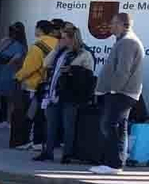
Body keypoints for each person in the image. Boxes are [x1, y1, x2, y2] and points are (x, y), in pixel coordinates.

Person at [91, 13, 146, 174]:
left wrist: (113, 89)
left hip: (121, 92)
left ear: (123, 25)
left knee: (111, 126)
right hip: (123, 92)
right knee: (118, 127)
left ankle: (113, 164)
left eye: (114, 23)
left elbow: (123, 71)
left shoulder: (128, 42)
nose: (111, 26)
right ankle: (115, 162)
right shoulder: (125, 41)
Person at [34, 25, 96, 164]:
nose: (60, 41)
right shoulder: (61, 52)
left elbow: (89, 76)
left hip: (70, 95)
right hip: (54, 93)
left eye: (64, 38)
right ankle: (48, 151)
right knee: (50, 124)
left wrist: (72, 70)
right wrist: (55, 50)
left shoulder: (84, 54)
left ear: (72, 39)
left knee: (68, 126)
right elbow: (46, 64)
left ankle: (67, 153)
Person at [13, 20, 60, 151]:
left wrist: (18, 76)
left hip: (34, 85)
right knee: (44, 115)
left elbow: (30, 67)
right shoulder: (57, 44)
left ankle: (29, 140)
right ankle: (41, 141)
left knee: (29, 114)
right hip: (51, 84)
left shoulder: (37, 46)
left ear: (39, 29)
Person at [0, 23, 27, 128]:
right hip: (3, 72)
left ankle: (8, 120)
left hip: (11, 72)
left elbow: (18, 57)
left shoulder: (20, 46)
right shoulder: (6, 42)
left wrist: (9, 63)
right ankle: (0, 120)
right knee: (2, 97)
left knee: (10, 98)